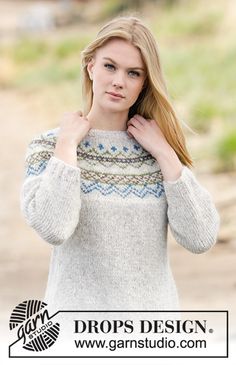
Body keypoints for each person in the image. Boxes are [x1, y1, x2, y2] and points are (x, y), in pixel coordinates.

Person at [20, 16, 220, 312]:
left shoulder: (158, 152)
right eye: (109, 66)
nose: (118, 81)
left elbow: (200, 237)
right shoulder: (49, 148)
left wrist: (166, 155)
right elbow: (54, 228)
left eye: (133, 73)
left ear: (144, 83)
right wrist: (66, 146)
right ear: (91, 67)